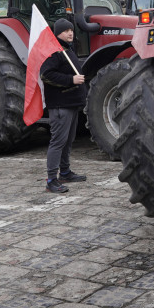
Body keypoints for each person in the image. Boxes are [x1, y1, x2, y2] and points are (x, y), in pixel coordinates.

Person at [39, 19, 88, 193]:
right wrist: (71, 80)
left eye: (71, 30)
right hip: (61, 105)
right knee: (58, 142)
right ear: (57, 33)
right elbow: (46, 74)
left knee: (68, 140)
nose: (70, 33)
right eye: (66, 30)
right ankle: (51, 179)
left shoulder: (68, 50)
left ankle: (65, 172)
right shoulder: (54, 52)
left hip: (72, 104)